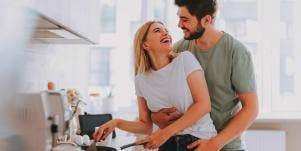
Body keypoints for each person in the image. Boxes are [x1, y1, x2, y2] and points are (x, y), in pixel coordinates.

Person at [150, 0, 259, 151]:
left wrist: (215, 143)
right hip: (188, 143)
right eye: (179, 18)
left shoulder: (236, 52)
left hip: (225, 146)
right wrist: (155, 117)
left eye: (185, 19)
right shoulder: (179, 50)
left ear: (207, 20)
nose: (179, 24)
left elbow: (251, 108)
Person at [93, 21, 217, 151]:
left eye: (166, 30)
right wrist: (116, 123)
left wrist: (164, 133)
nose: (166, 33)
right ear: (145, 45)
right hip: (168, 144)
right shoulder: (141, 80)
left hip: (199, 141)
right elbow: (145, 125)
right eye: (157, 30)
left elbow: (203, 105)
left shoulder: (185, 60)